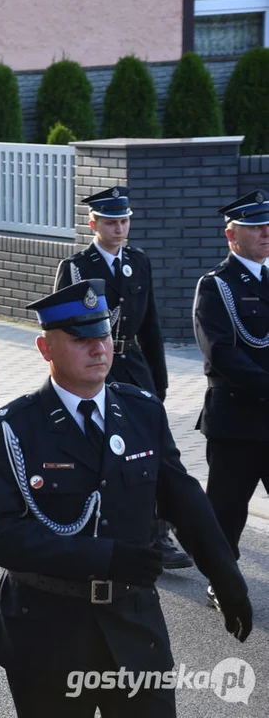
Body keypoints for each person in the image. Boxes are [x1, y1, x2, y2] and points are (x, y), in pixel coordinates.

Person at [0, 279, 251, 717]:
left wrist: (226, 578)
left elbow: (183, 499)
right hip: (48, 629)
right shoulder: (11, 427)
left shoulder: (141, 409)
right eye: (81, 339)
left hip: (133, 624)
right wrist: (102, 557)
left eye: (102, 336)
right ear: (45, 349)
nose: (98, 348)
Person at [55, 186, 190, 570]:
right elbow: (61, 332)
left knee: (153, 447)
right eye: (112, 222)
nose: (120, 228)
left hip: (133, 364)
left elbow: (150, 325)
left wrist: (159, 381)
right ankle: (95, 524)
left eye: (124, 220)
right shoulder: (77, 268)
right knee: (100, 451)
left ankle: (157, 534)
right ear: (93, 223)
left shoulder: (138, 261)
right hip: (95, 367)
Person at [194, 189, 269, 606]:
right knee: (227, 510)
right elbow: (220, 352)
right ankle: (221, 579)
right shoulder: (216, 286)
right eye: (255, 226)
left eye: (267, 225)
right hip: (236, 421)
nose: (265, 232)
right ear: (231, 235)